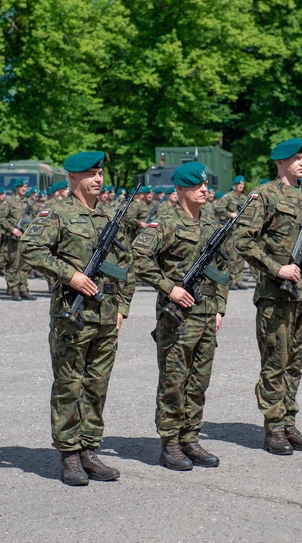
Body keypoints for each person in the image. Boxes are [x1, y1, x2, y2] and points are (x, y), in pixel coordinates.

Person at [21, 151, 134, 486]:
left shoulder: (108, 216)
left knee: (97, 385)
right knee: (69, 384)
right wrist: (69, 275)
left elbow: (126, 265)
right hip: (73, 315)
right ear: (72, 178)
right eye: (89, 174)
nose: (97, 179)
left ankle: (89, 449)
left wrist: (122, 307)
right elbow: (30, 247)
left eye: (99, 173)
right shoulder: (56, 213)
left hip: (106, 314)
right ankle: (69, 454)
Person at [132, 162, 227, 471]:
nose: (205, 190)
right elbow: (139, 258)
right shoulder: (166, 222)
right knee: (174, 381)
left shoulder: (211, 223)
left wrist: (220, 308)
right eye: (197, 186)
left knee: (199, 381)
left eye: (206, 185)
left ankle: (191, 438)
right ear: (181, 190)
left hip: (206, 315)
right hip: (177, 318)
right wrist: (168, 287)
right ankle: (170, 443)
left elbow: (221, 270)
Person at [235, 138, 302, 455]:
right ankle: (274, 428)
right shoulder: (265, 195)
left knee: (295, 364)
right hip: (276, 295)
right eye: (297, 158)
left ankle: (288, 422)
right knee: (275, 362)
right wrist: (276, 269)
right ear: (280, 162)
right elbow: (243, 240)